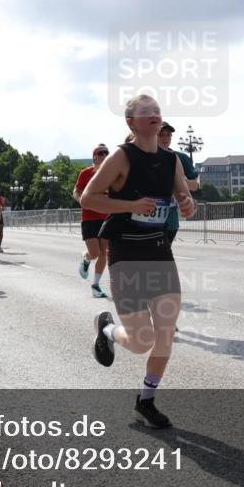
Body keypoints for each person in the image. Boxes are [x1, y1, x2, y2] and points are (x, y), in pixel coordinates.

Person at [80, 95, 195, 429]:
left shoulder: (171, 159)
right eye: (146, 112)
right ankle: (107, 329)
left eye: (157, 111)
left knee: (165, 335)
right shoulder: (120, 157)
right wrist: (130, 207)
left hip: (159, 252)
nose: (154, 116)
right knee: (142, 339)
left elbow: (183, 195)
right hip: (126, 254)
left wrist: (187, 204)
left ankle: (146, 400)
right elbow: (90, 198)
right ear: (130, 122)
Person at [73, 144, 111, 298]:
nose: (104, 155)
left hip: (106, 218)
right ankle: (87, 257)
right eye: (100, 153)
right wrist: (82, 200)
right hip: (89, 218)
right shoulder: (85, 173)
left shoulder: (112, 174)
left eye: (106, 153)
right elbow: (76, 192)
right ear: (94, 157)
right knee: (95, 253)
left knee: (104, 253)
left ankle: (95, 285)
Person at [158, 122, 200, 245]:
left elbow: (195, 185)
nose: (165, 138)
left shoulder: (180, 157)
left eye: (168, 135)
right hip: (146, 216)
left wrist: (177, 180)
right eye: (161, 135)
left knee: (161, 255)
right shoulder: (142, 156)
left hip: (170, 217)